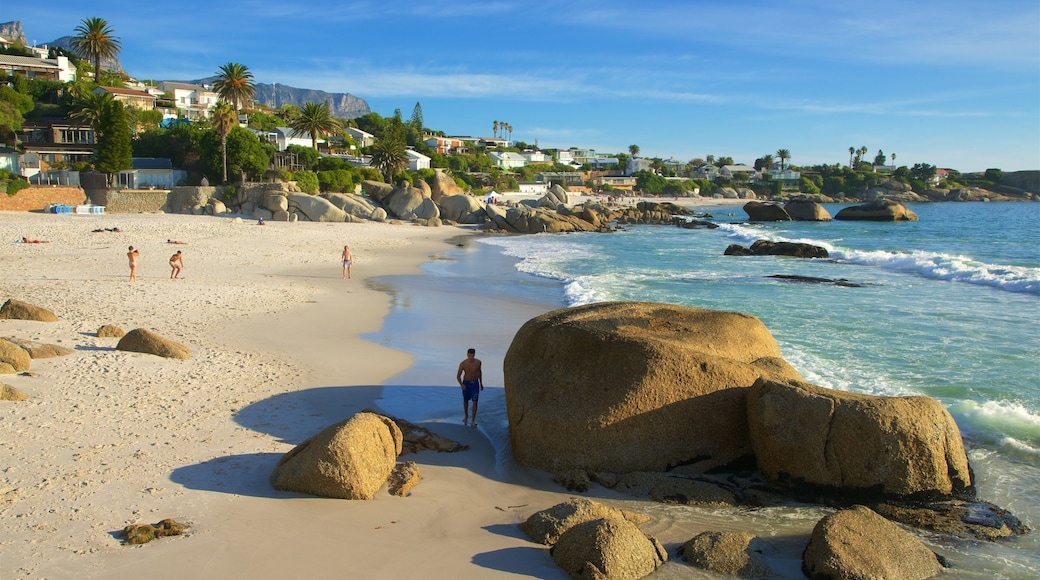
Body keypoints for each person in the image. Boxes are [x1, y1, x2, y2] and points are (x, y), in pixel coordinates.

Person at [456, 348, 483, 427]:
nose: (471, 357)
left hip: (475, 384)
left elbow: (479, 372)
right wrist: (461, 384)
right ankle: (466, 416)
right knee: (465, 401)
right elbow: (458, 376)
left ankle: (473, 420)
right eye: (470, 355)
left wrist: (481, 383)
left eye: (472, 355)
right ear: (467, 355)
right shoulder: (463, 364)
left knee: (475, 401)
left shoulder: (478, 362)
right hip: (466, 383)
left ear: (474, 355)